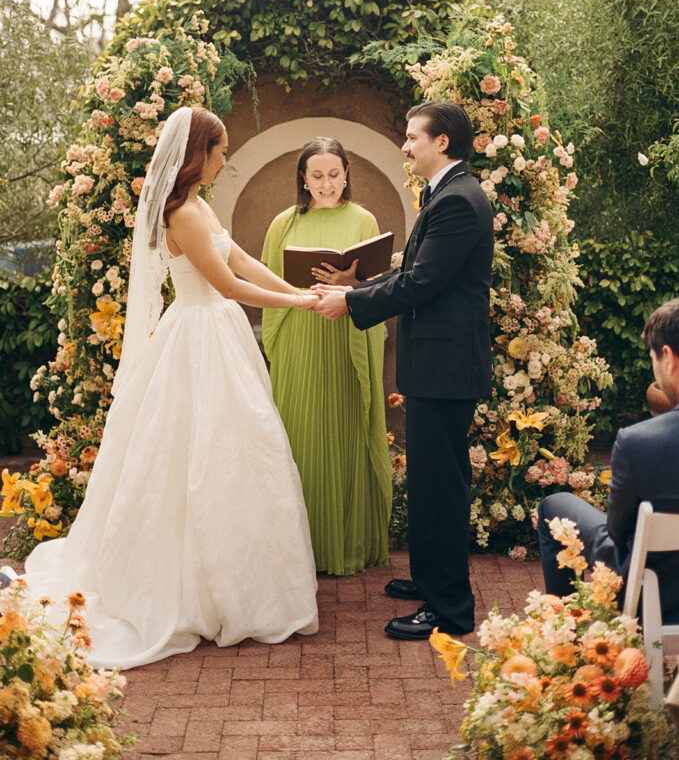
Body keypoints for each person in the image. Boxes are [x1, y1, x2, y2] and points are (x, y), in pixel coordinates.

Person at [19, 106, 319, 669]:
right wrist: (296, 305)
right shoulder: (180, 212)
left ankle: (238, 581)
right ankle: (193, 592)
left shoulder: (200, 204)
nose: (226, 159)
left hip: (219, 335)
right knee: (194, 456)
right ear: (197, 154)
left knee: (239, 454)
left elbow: (244, 260)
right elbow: (225, 283)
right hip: (198, 336)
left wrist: (299, 292)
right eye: (222, 149)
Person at [313, 103, 494, 639]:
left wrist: (350, 300)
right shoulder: (447, 193)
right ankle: (430, 579)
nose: (405, 145)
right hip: (437, 365)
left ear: (442, 142)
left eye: (413, 137)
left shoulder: (459, 200)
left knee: (441, 486)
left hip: (446, 368)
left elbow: (420, 284)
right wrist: (357, 286)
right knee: (431, 479)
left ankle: (449, 609)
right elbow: (415, 274)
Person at [261, 137, 392, 575]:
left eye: (334, 174)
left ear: (347, 173)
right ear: (303, 178)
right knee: (300, 428)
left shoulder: (363, 219)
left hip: (345, 338)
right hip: (300, 334)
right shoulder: (283, 223)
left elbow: (377, 286)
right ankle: (299, 547)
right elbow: (270, 284)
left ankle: (347, 545)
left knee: (344, 425)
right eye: (316, 176)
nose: (326, 183)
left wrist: (349, 282)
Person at [537, 297, 679, 622]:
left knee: (554, 507)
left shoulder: (638, 442)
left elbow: (617, 532)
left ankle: (565, 638)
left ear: (668, 358)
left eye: (653, 358)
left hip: (651, 595)